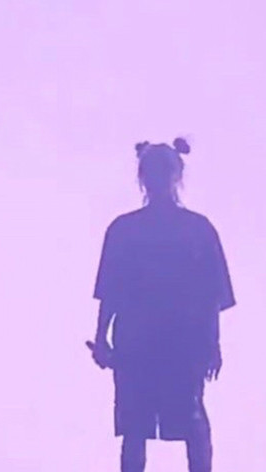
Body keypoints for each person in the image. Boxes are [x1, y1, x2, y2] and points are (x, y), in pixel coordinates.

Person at [87, 137, 236, 472]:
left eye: (162, 171)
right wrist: (100, 339)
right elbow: (110, 292)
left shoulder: (193, 230)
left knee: (186, 426)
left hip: (176, 343)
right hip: (145, 343)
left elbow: (211, 296)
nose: (157, 178)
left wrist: (213, 344)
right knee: (142, 430)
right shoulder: (131, 230)